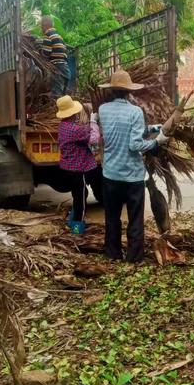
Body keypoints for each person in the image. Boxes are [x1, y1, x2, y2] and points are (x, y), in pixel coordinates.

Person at [98, 70, 168, 263]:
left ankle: (112, 253)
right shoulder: (135, 112)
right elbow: (134, 144)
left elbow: (120, 131)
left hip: (110, 174)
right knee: (135, 219)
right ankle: (134, 257)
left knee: (112, 218)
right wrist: (156, 142)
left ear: (112, 91)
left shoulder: (103, 110)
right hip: (132, 177)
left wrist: (152, 128)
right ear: (129, 92)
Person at [56, 95, 99, 235]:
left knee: (80, 194)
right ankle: (77, 229)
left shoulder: (63, 126)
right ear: (73, 113)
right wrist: (93, 121)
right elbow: (94, 139)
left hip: (68, 168)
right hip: (78, 170)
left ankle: (72, 219)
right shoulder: (75, 130)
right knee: (81, 200)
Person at [39, 16, 70, 97]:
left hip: (57, 68)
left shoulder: (48, 36)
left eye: (41, 27)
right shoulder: (59, 37)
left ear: (45, 26)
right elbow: (65, 53)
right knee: (64, 95)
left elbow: (46, 54)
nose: (41, 29)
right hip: (65, 68)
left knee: (57, 95)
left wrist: (39, 49)